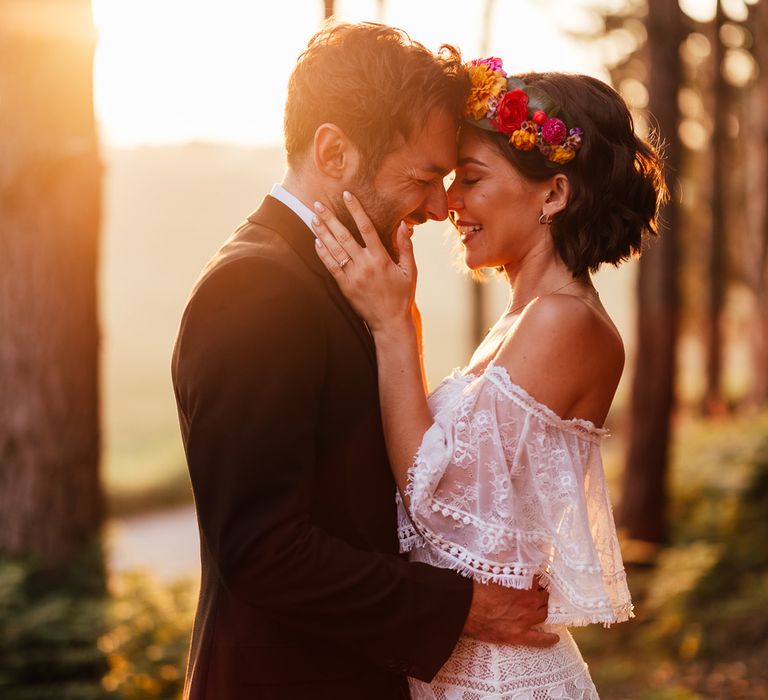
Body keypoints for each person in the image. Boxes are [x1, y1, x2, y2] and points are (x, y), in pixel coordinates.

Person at [171, 29, 558, 700]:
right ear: (334, 151)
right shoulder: (255, 289)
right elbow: (264, 550)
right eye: (422, 178)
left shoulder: (334, 278)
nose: (441, 208)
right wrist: (460, 605)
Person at [312, 58, 667, 698]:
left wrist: (394, 324)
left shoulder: (565, 323)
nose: (449, 204)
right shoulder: (524, 319)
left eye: (471, 180)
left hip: (502, 681)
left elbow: (436, 504)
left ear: (554, 194)